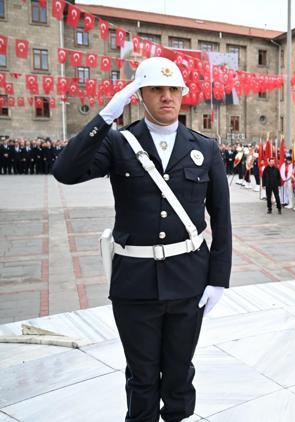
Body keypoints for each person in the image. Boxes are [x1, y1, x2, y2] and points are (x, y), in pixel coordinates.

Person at [52, 57, 231, 421]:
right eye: (156, 89)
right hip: (135, 283)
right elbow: (65, 171)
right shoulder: (120, 143)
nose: (167, 97)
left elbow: (222, 219)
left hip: (188, 280)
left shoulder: (205, 148)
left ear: (182, 94)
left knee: (180, 374)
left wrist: (218, 279)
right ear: (140, 95)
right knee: (142, 376)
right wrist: (105, 117)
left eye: (173, 90)